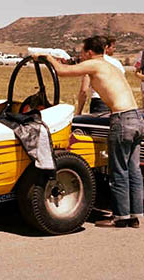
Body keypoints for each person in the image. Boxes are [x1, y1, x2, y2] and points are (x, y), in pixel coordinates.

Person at [33, 35, 143, 228]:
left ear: (90, 52)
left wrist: (47, 57)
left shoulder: (94, 65)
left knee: (118, 170)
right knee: (133, 170)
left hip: (122, 119)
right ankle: (134, 216)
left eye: (82, 52)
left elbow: (61, 72)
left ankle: (120, 217)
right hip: (136, 118)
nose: (81, 55)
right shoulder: (110, 66)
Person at [76, 36, 125, 115]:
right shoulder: (116, 63)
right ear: (106, 47)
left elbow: (84, 90)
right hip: (116, 102)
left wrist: (78, 112)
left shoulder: (91, 64)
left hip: (99, 102)